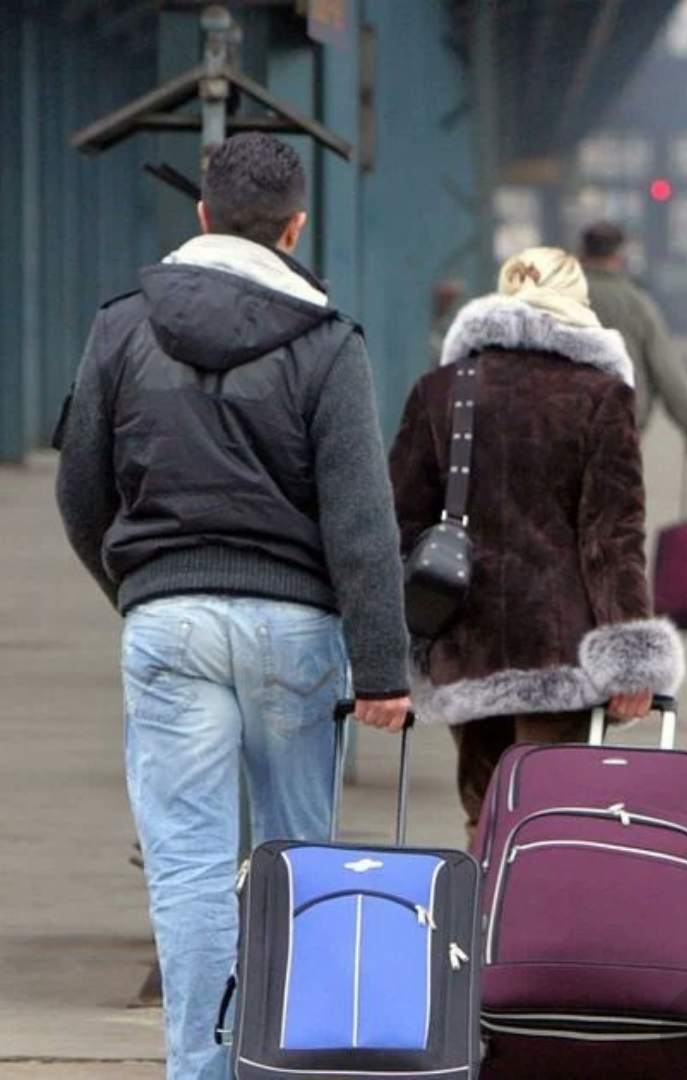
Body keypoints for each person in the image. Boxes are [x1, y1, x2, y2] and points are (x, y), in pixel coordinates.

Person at [54, 132, 411, 1080]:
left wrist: (140, 592)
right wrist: (382, 666)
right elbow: (361, 520)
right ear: (296, 227)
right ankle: (285, 1063)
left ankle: (201, 1068)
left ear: (203, 217)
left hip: (168, 621)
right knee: (297, 864)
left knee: (190, 869)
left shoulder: (122, 325)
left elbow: (79, 490)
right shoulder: (327, 340)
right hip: (296, 631)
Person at [388, 246, 683, 833]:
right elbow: (612, 538)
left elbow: (402, 523)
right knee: (551, 813)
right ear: (576, 303)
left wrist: (397, 641)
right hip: (560, 644)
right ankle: (534, 918)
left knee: (485, 808)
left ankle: (483, 919)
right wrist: (632, 659)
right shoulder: (599, 396)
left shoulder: (441, 390)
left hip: (462, 636)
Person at [578, 221, 687, 451]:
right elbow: (667, 371)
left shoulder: (552, 297)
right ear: (619, 257)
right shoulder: (637, 303)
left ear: (580, 254)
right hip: (619, 421)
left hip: (559, 419)